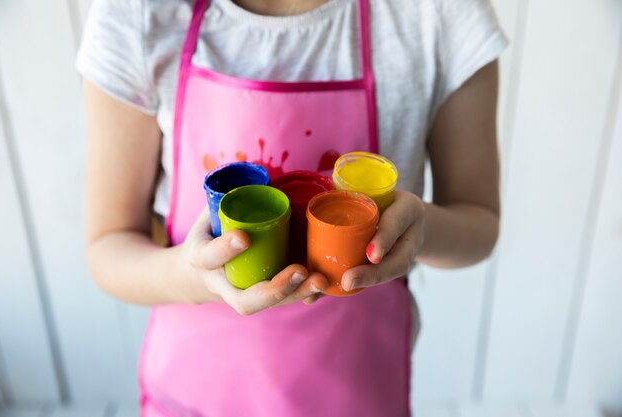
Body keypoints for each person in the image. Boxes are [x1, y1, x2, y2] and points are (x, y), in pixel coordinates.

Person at [77, 0, 507, 415]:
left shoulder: (440, 14)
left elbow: (479, 225)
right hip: (194, 392)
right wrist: (196, 277)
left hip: (358, 389)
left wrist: (421, 229)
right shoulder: (137, 14)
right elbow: (109, 244)